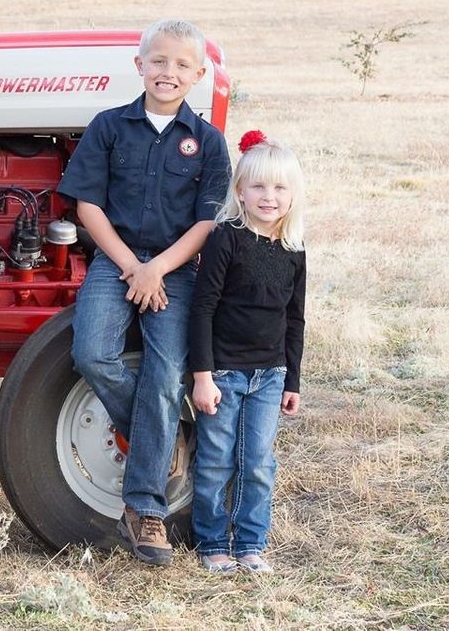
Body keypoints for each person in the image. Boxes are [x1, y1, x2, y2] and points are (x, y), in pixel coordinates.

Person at [57, 18, 231, 566]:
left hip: (177, 271)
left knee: (163, 376)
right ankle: (165, 442)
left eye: (181, 65)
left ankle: (144, 507)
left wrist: (158, 270)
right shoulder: (109, 127)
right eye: (158, 61)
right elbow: (87, 206)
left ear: (199, 74)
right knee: (92, 353)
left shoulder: (207, 143)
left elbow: (206, 223)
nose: (168, 72)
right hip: (115, 264)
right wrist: (135, 266)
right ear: (139, 66)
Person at [187, 130, 307, 575]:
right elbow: (202, 309)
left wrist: (291, 380)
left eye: (279, 188)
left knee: (257, 462)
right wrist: (202, 375)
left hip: (269, 374)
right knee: (217, 460)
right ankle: (214, 541)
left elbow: (295, 319)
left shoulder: (294, 251)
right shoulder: (226, 239)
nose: (268, 196)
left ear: (293, 195)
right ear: (240, 191)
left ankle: (251, 543)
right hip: (223, 373)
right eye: (258, 186)